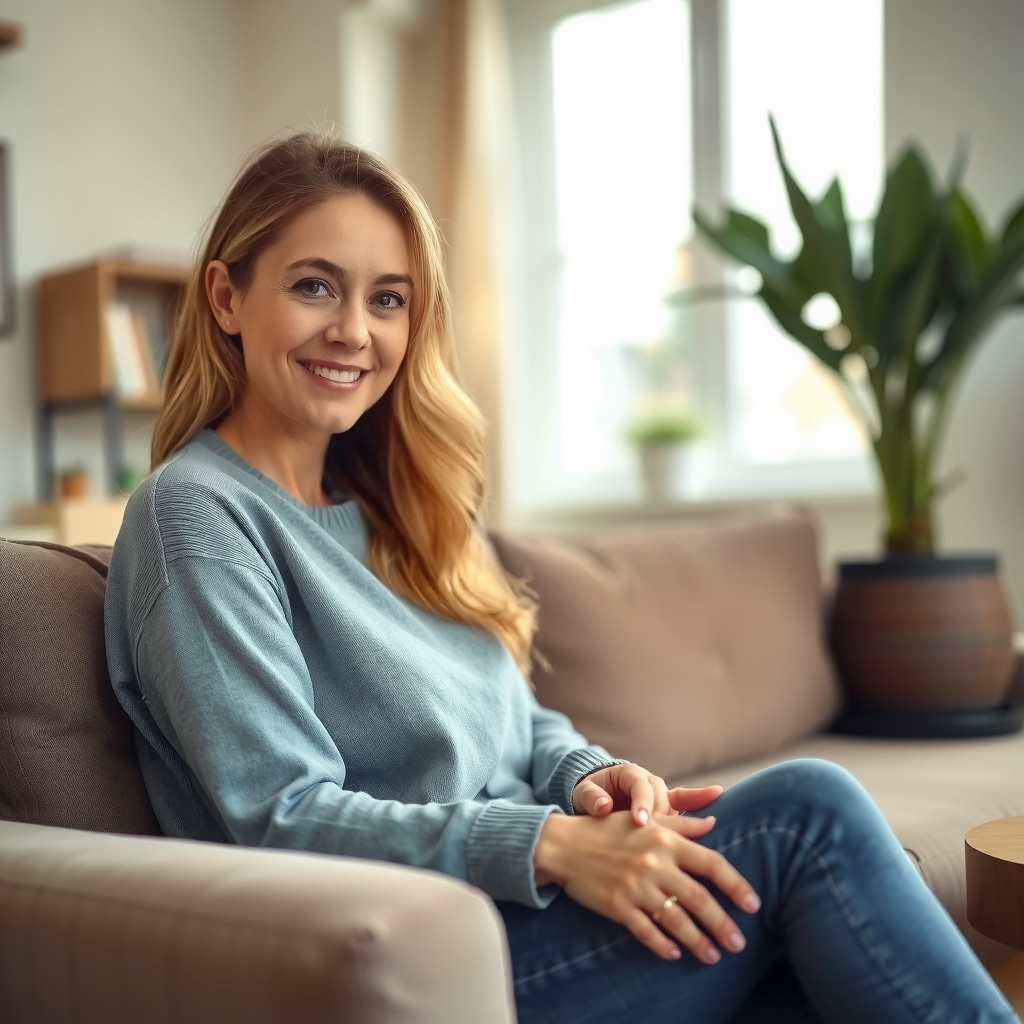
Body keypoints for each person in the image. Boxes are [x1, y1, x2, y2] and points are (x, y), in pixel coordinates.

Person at [103, 132, 1018, 1024]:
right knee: (802, 816)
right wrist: (549, 843)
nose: (354, 331)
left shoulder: (400, 506)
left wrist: (590, 776)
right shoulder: (196, 514)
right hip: (432, 954)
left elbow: (517, 720)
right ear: (225, 295)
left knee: (813, 971)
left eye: (389, 300)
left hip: (528, 917)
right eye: (314, 287)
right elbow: (279, 815)